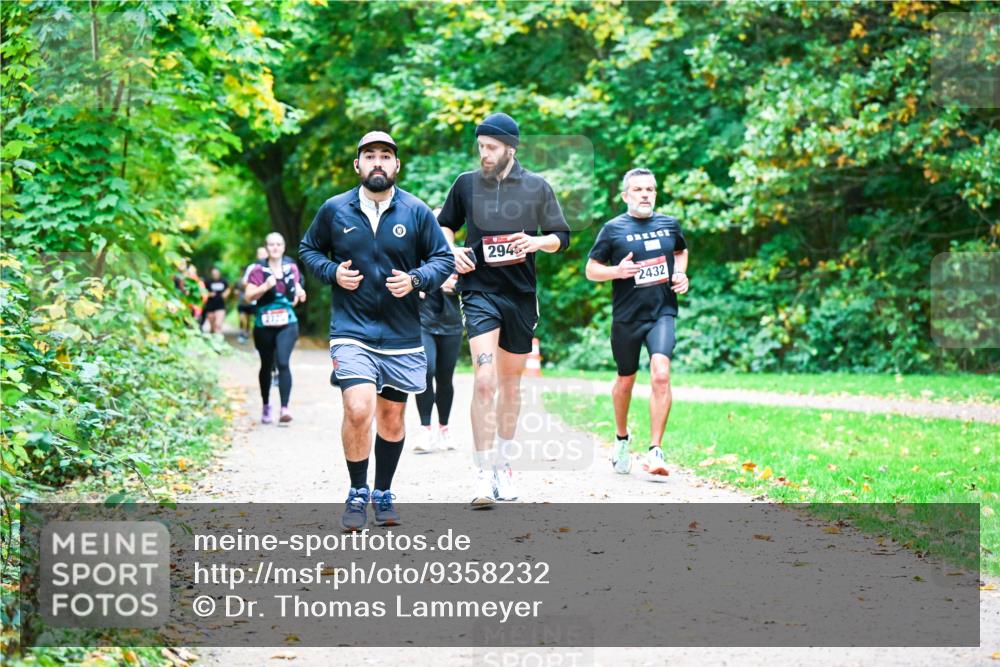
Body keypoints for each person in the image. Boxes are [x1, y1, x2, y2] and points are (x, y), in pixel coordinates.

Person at [299, 131, 454, 531]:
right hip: (351, 329)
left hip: (401, 333)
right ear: (358, 165)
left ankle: (382, 492)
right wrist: (332, 272)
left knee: (391, 417)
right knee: (358, 408)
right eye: (370, 156)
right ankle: (357, 491)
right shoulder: (335, 209)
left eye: (386, 155)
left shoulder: (416, 211)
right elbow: (308, 249)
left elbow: (442, 259)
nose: (378, 162)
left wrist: (417, 280)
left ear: (397, 165)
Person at [437, 112, 571, 507]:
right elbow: (445, 224)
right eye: (481, 146)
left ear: (510, 148)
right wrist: (451, 249)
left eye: (492, 147)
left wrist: (537, 243)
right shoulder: (466, 184)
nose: (484, 154)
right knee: (484, 380)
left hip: (520, 296)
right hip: (479, 291)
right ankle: (481, 472)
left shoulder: (536, 186)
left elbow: (561, 237)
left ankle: (503, 464)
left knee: (510, 385)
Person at [585, 168, 689, 477]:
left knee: (661, 374)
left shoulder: (669, 224)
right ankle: (621, 439)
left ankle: (656, 450)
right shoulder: (612, 229)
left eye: (650, 189)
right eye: (638, 189)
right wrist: (616, 272)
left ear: (655, 193)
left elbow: (681, 251)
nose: (645, 194)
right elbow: (591, 270)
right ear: (625, 195)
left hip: (662, 313)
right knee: (625, 380)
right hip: (627, 317)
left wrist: (680, 274)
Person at [412, 208, 463, 454]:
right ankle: (425, 428)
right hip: (424, 321)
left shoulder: (461, 254)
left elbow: (474, 285)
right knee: (426, 369)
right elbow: (407, 280)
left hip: (452, 323)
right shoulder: (417, 253)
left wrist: (457, 285)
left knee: (445, 378)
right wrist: (420, 285)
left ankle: (444, 428)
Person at [243, 232, 306, 426]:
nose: (275, 247)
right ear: (267, 247)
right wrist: (264, 286)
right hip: (264, 324)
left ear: (284, 247)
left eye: (279, 244)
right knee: (266, 365)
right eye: (271, 244)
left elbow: (295, 291)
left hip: (287, 323)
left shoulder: (291, 268)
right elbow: (248, 297)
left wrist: (300, 292)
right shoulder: (258, 270)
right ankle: (266, 405)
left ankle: (285, 409)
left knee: (283, 362)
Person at [237, 247, 268, 344]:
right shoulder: (252, 267)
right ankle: (250, 338)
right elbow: (244, 282)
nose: (262, 256)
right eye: (260, 254)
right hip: (253, 300)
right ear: (257, 256)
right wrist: (256, 287)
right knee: (256, 321)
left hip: (269, 300)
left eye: (264, 253)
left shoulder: (274, 265)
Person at [203, 267, 230, 335]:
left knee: (218, 325)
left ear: (219, 273)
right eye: (214, 274)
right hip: (210, 306)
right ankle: (213, 337)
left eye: (216, 273)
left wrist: (226, 294)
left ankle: (219, 339)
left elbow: (228, 288)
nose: (215, 275)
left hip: (220, 305)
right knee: (212, 327)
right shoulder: (208, 281)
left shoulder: (223, 281)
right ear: (212, 274)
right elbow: (203, 291)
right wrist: (209, 294)